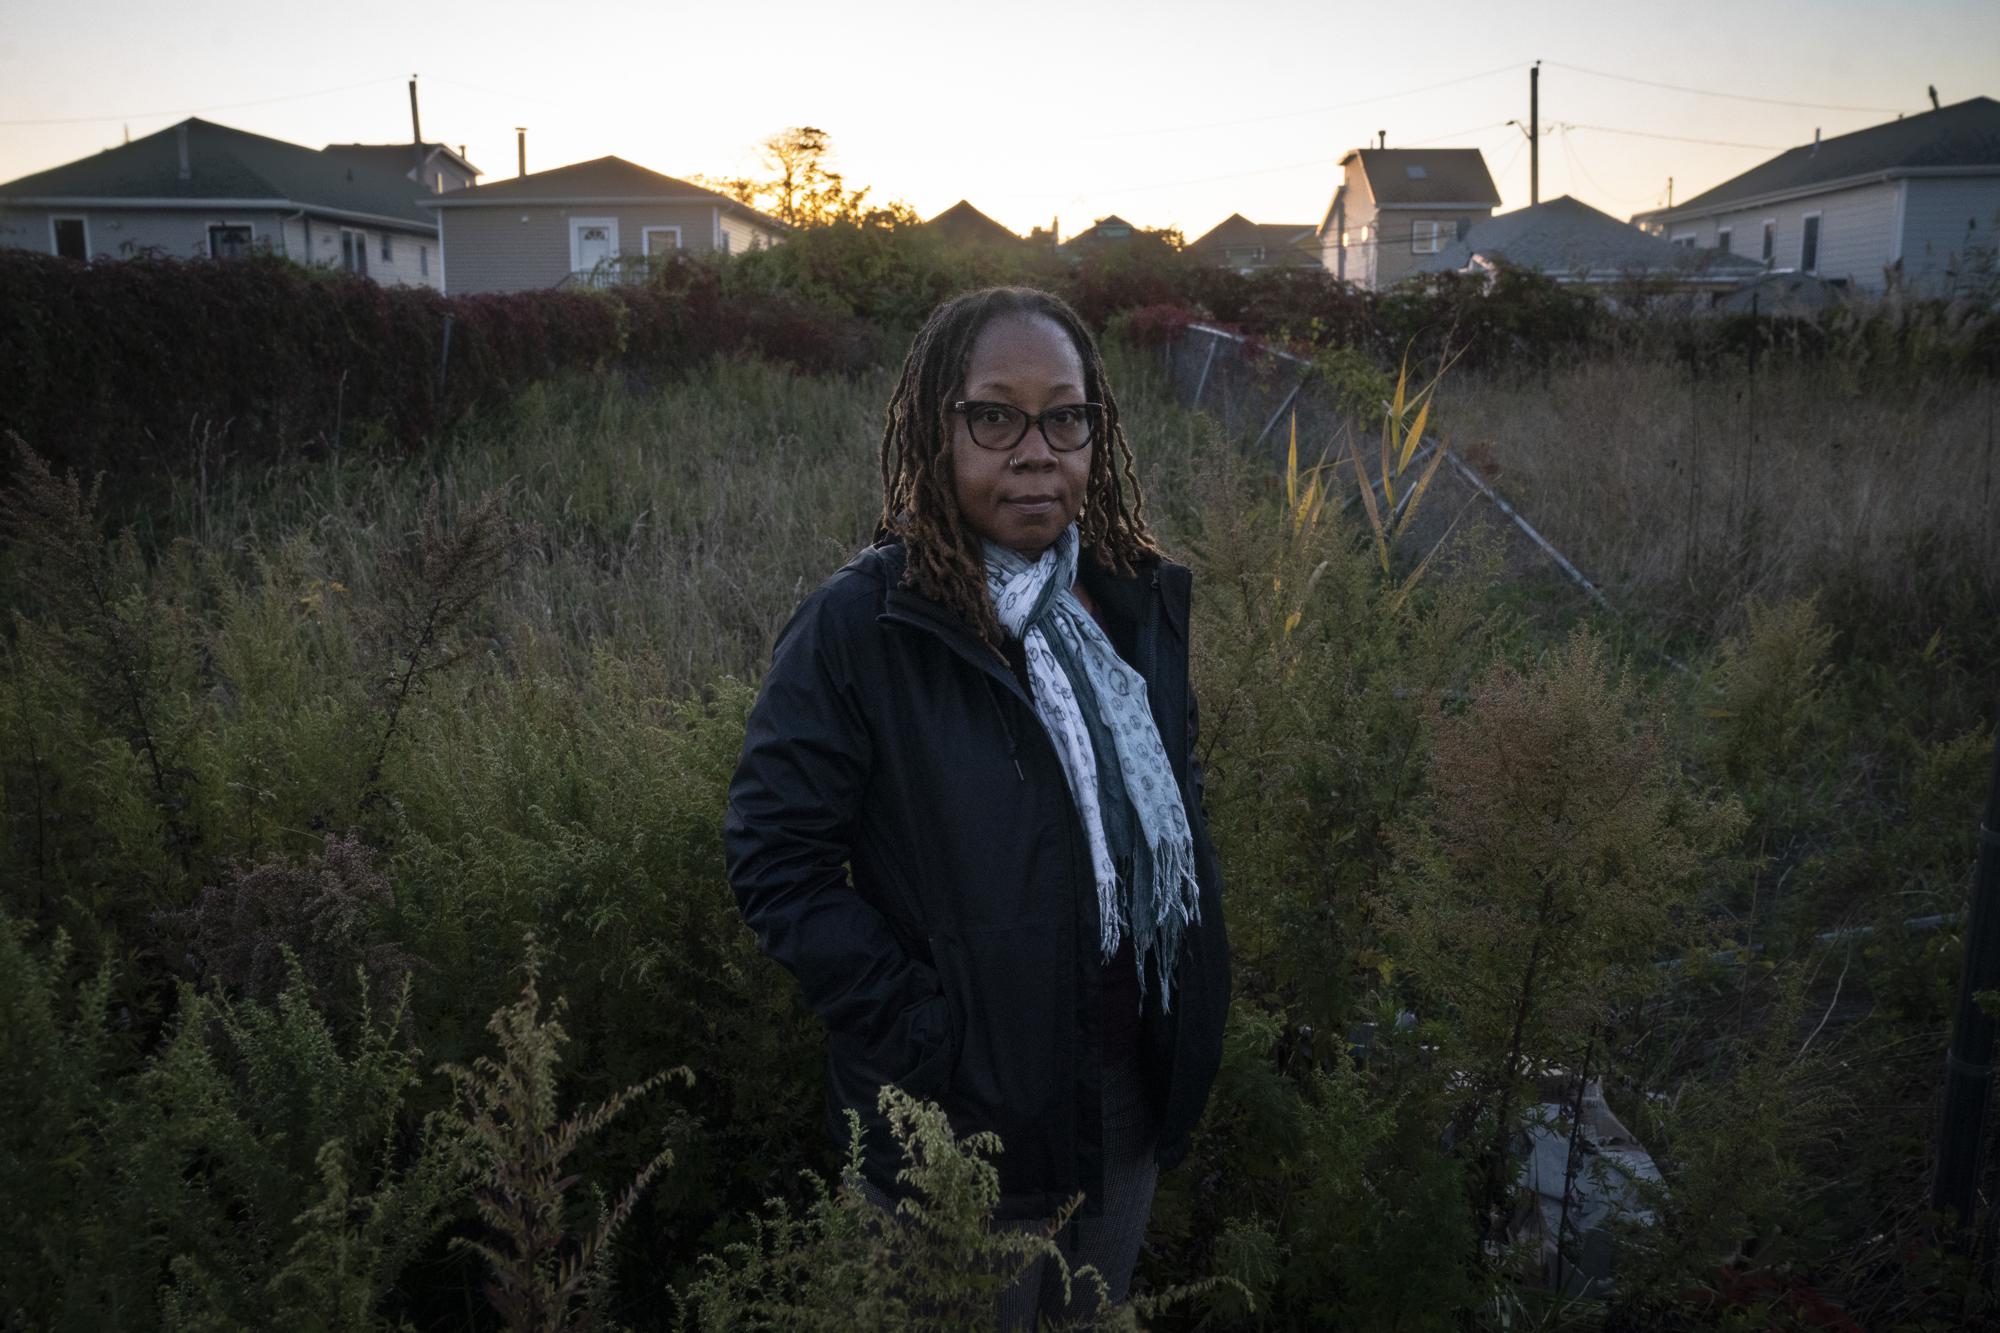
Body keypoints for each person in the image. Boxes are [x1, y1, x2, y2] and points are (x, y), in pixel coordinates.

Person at [724, 285, 1229, 1327]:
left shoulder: (1130, 604)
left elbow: (1171, 813)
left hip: (1122, 1097)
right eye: (993, 416)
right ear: (934, 429)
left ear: (1096, 432)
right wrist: (927, 1043)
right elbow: (778, 860)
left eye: (1065, 416)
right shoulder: (867, 627)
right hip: (955, 1121)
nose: (1034, 449)